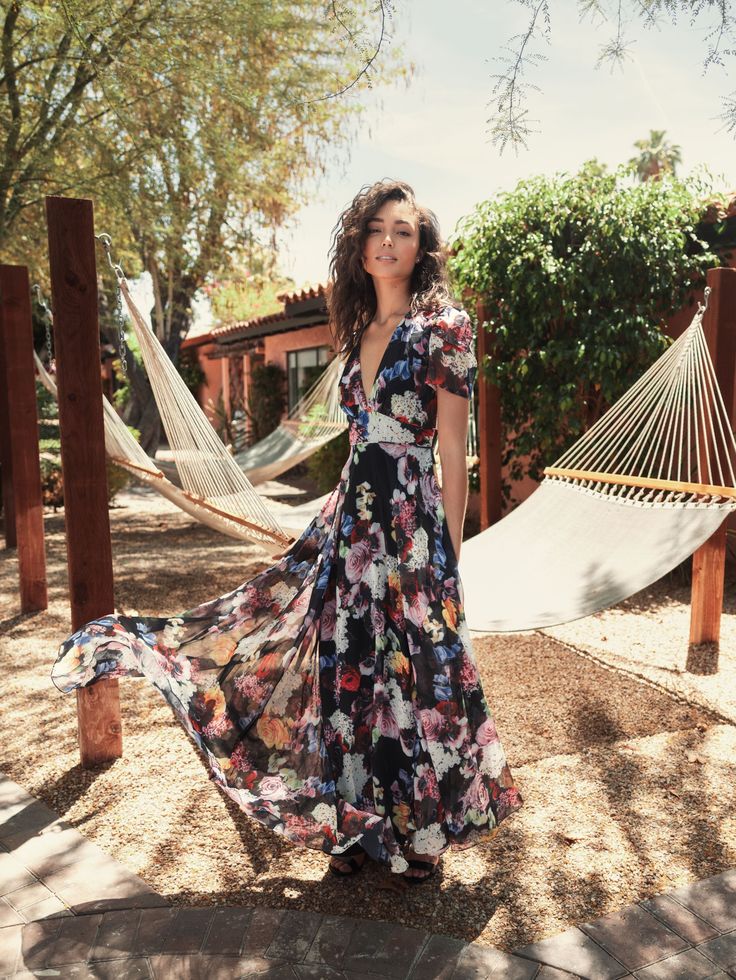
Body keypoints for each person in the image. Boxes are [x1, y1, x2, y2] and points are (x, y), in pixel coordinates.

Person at [51, 178, 524, 885]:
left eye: (403, 230)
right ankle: (355, 827)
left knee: (417, 672)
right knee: (348, 668)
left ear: (422, 247)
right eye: (377, 230)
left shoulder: (444, 326)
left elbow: (453, 449)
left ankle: (420, 835)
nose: (388, 241)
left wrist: (448, 550)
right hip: (349, 520)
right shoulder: (356, 330)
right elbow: (358, 438)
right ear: (361, 246)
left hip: (410, 521)